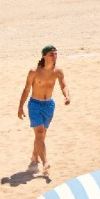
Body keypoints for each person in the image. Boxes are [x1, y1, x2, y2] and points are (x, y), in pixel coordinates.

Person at [17, 46, 70, 174]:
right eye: (52, 54)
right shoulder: (34, 72)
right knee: (40, 134)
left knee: (41, 136)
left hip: (49, 105)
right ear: (44, 56)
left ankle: (35, 157)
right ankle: (45, 162)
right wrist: (20, 107)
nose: (54, 56)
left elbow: (63, 85)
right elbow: (26, 89)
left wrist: (67, 95)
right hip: (35, 104)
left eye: (56, 54)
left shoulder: (58, 71)